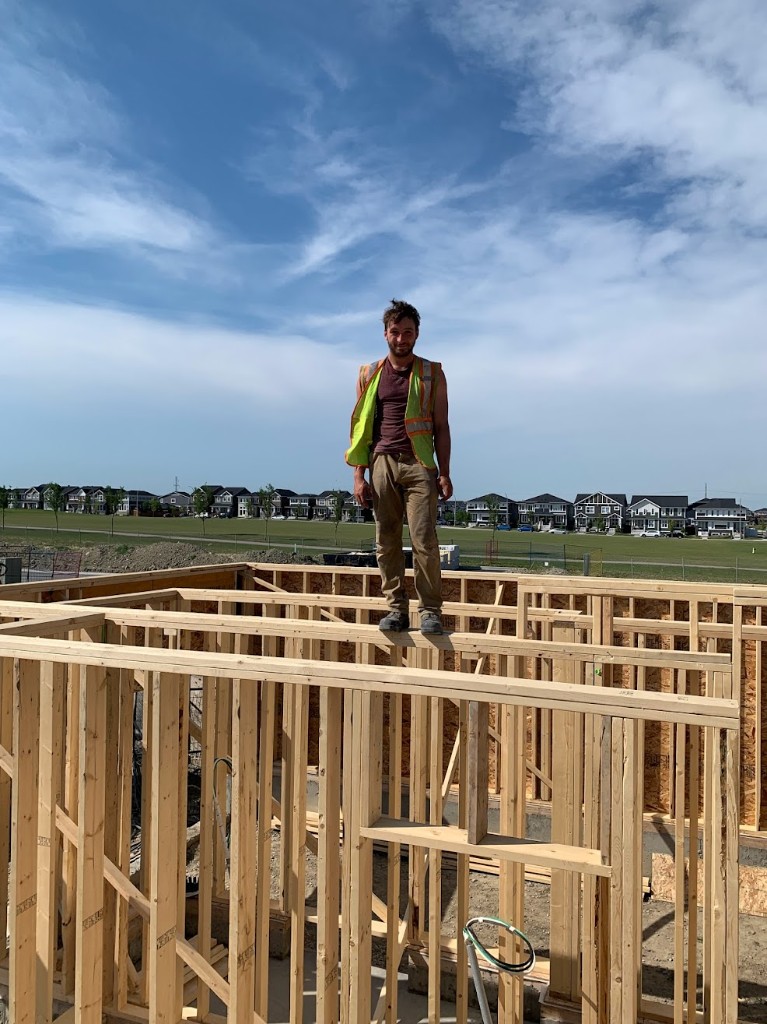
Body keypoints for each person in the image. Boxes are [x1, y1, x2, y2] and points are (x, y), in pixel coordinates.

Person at [345, 299, 453, 634]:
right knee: (386, 539)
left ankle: (430, 611)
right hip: (381, 463)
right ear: (385, 334)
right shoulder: (369, 373)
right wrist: (359, 475)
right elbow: (360, 425)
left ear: (417, 334)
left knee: (424, 539)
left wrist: (445, 471)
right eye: (396, 332)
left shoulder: (431, 373)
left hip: (419, 464)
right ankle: (395, 609)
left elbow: (441, 425)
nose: (401, 338)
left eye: (408, 332)